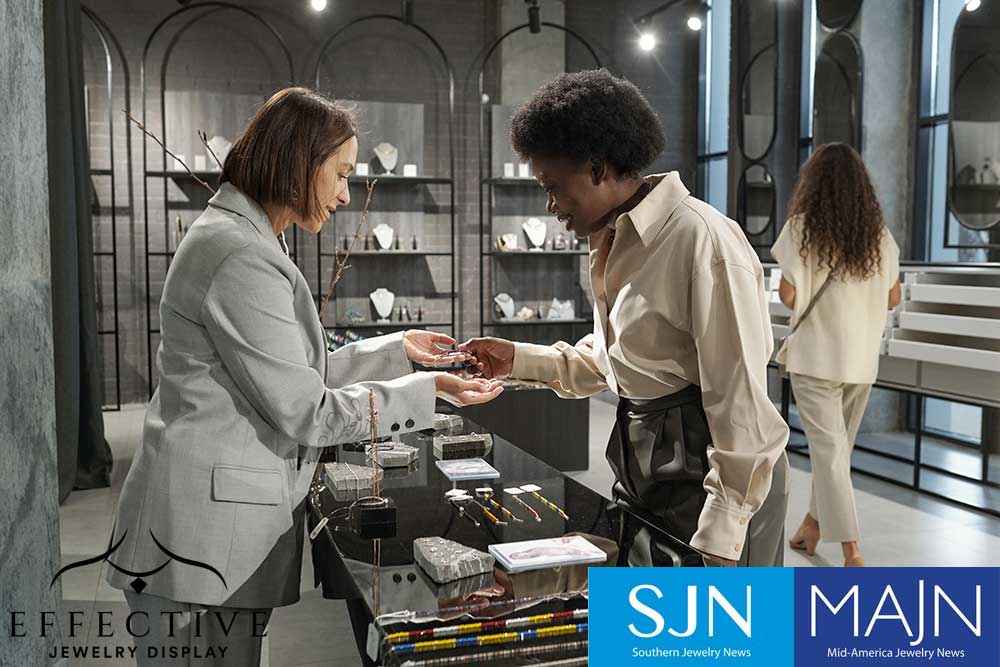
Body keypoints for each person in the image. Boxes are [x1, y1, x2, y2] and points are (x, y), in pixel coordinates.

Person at [106, 87, 501, 665]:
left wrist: (398, 351)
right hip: (201, 543)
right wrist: (430, 389)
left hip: (210, 537)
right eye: (340, 175)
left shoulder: (245, 237)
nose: (346, 194)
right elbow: (306, 410)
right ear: (299, 161)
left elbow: (288, 375)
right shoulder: (241, 253)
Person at [462, 69, 789, 567]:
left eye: (554, 186)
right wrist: (517, 359)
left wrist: (722, 534)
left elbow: (740, 400)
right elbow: (617, 360)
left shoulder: (701, 241)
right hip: (650, 468)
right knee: (642, 639)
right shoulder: (613, 238)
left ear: (597, 168)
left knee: (717, 642)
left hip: (717, 482)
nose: (550, 206)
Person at [774, 142, 901, 568]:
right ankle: (812, 526)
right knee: (836, 452)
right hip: (861, 362)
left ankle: (852, 550)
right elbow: (892, 297)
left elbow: (789, 293)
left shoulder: (801, 229)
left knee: (829, 453)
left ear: (814, 184)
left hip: (816, 359)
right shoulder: (878, 237)